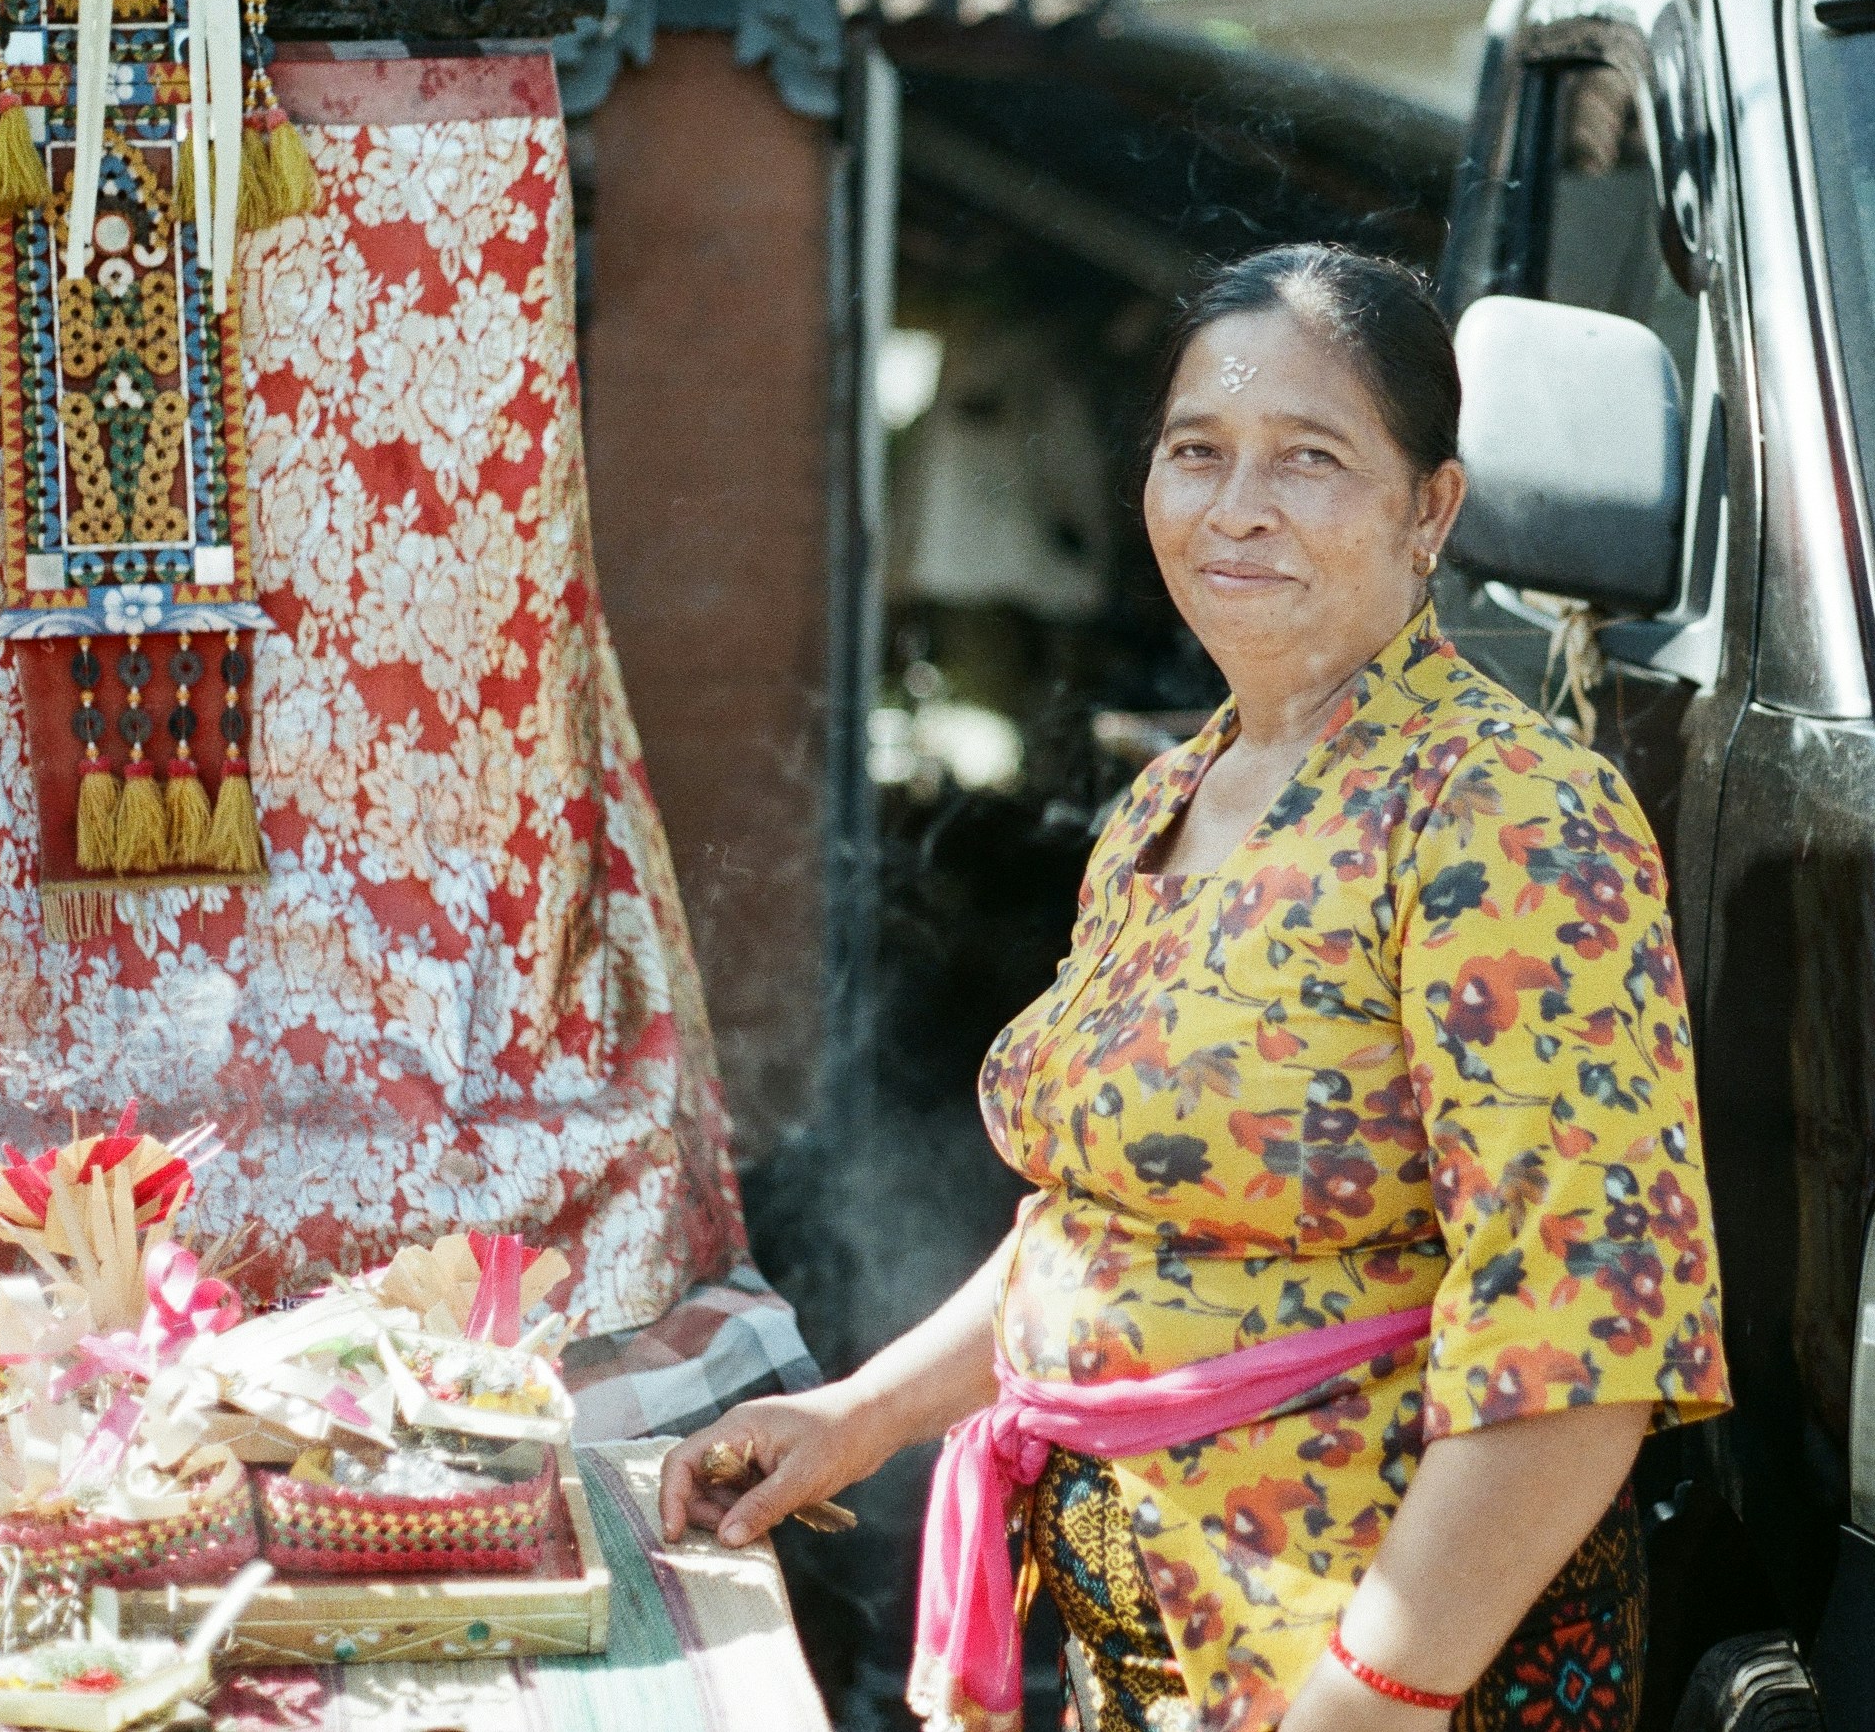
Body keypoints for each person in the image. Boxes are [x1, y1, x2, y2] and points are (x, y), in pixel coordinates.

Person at [661, 245, 1726, 1732]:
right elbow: (1102, 1227)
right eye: (1196, 453)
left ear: (1432, 509)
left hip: (1379, 1669)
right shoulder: (1170, 797)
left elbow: (1583, 1339)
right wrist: (856, 1418)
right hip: (1155, 1639)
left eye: (1308, 459)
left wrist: (1372, 1693)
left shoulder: (1505, 814)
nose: (1237, 507)